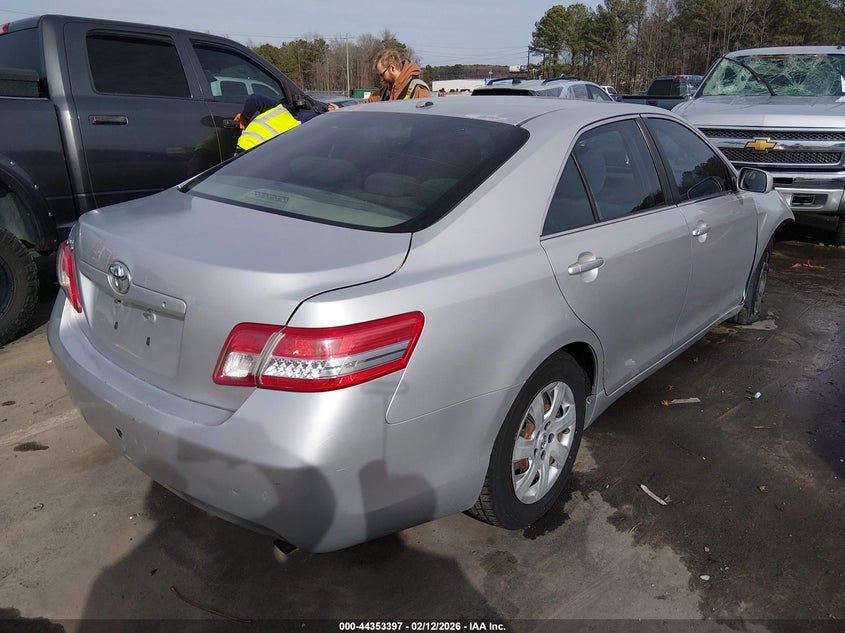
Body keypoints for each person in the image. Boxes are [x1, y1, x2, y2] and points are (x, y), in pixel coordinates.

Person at [327, 49, 430, 110]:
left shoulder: (418, 89)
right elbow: (362, 107)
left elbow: (426, 123)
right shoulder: (385, 92)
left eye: (382, 74)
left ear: (392, 68)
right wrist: (340, 110)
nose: (381, 79)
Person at [234, 93, 300, 155]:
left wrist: (243, 119)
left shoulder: (277, 108)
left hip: (244, 145)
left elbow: (255, 98)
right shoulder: (299, 134)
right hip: (259, 153)